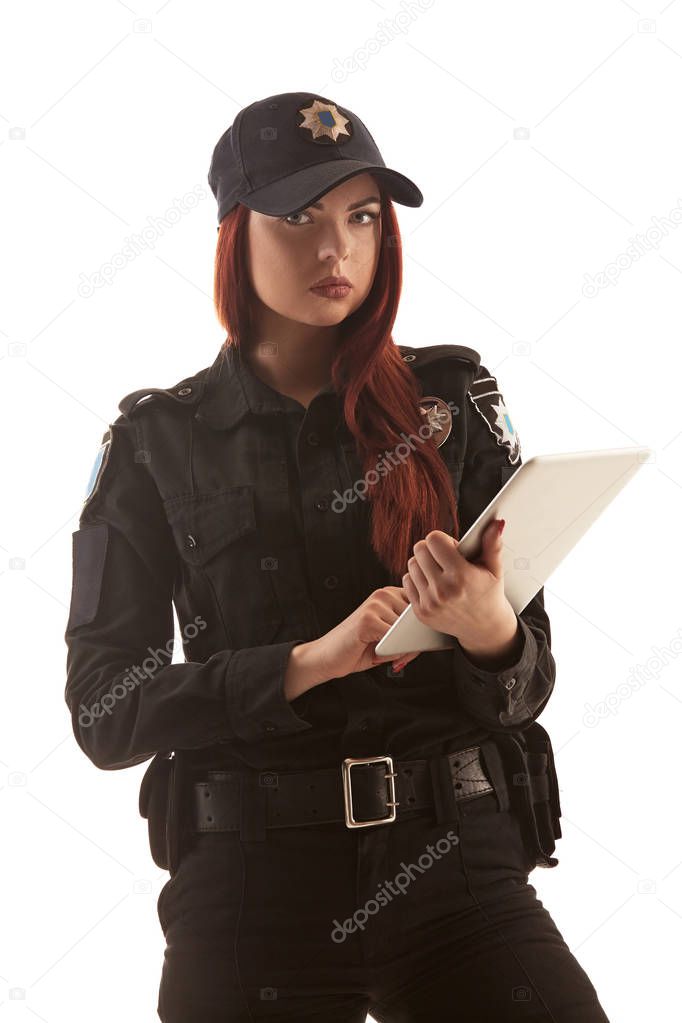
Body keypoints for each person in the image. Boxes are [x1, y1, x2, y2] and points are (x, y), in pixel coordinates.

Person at [64, 92, 611, 1022]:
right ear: (236, 233)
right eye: (299, 217)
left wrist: (491, 633)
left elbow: (532, 677)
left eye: (362, 215)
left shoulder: (454, 401)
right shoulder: (158, 439)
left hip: (453, 871)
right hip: (250, 892)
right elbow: (104, 712)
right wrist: (300, 666)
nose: (337, 250)